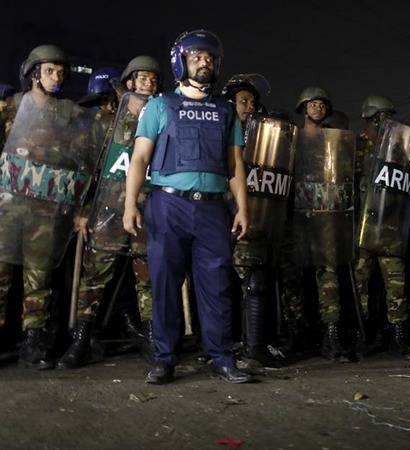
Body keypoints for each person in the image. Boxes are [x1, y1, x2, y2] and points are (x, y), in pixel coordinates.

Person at [122, 29, 253, 384]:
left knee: (217, 286)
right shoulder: (160, 105)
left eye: (209, 57)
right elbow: (139, 159)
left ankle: (222, 358)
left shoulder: (227, 111)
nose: (204, 62)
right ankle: (165, 359)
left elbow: (236, 165)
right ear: (181, 62)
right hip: (167, 205)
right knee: (164, 285)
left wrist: (242, 209)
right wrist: (130, 204)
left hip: (213, 209)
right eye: (196, 56)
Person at [0, 44, 103, 370]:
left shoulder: (71, 114)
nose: (56, 77)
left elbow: (85, 164)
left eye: (60, 72)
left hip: (46, 209)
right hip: (7, 205)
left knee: (39, 279)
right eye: (49, 71)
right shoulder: (11, 109)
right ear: (33, 73)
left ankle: (32, 343)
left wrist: (82, 207)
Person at [56, 57, 162, 370]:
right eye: (141, 78)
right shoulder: (107, 125)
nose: (147, 84)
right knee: (94, 279)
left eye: (153, 80)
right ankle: (81, 341)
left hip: (147, 215)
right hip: (107, 214)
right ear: (128, 84)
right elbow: (88, 171)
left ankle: (154, 342)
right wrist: (83, 211)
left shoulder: (160, 126)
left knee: (150, 280)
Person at [280, 85, 353, 362]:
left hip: (325, 218)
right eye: (312, 104)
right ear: (303, 108)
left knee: (329, 279)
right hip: (295, 219)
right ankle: (296, 334)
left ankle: (331, 337)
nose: (318, 108)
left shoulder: (333, 141)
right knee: (292, 281)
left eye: (322, 104)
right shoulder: (291, 139)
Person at [221, 73, 286, 369]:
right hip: (226, 217)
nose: (249, 106)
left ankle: (255, 346)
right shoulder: (222, 131)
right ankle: (229, 344)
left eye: (252, 101)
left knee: (258, 282)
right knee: (225, 285)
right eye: (243, 101)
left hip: (260, 220)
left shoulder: (265, 137)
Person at [352, 94, 410, 360]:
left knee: (396, 287)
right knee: (360, 286)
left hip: (389, 228)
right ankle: (362, 336)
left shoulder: (398, 150)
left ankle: (397, 338)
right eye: (384, 116)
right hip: (362, 229)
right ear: (372, 117)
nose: (389, 121)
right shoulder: (355, 147)